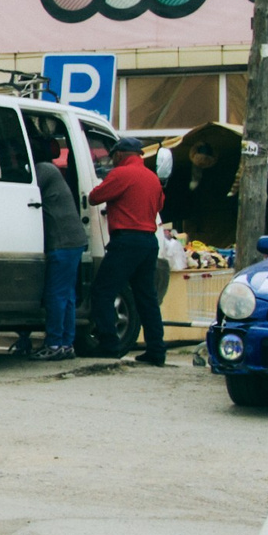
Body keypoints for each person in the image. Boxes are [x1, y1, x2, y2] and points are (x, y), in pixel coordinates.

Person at [88, 136, 167, 366]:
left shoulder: (121, 175)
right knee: (146, 297)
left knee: (103, 291)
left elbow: (95, 197)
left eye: (113, 156)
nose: (112, 160)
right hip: (148, 242)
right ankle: (156, 350)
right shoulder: (152, 178)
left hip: (126, 241)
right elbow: (160, 205)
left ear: (120, 154)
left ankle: (109, 345)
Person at [34, 146, 87, 359]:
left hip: (62, 242)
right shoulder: (52, 171)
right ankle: (66, 343)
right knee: (67, 295)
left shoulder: (43, 170)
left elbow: (23, 191)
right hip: (73, 241)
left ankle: (55, 344)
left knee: (56, 295)